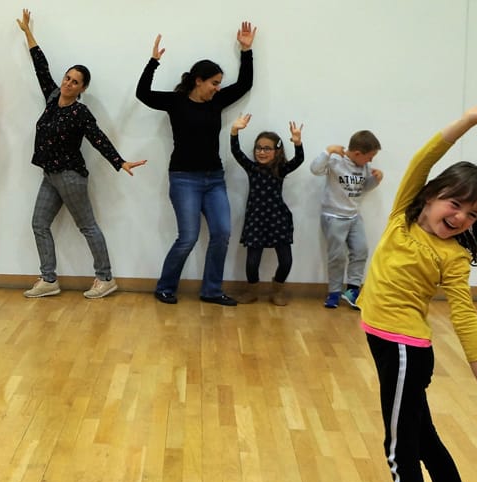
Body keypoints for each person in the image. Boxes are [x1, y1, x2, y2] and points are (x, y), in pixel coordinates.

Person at [358, 102, 477, 482]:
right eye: (455, 204)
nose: (460, 218)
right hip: (392, 349)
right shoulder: (402, 216)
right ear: (431, 196)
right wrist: (468, 122)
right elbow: (424, 158)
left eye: (472, 215)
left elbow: (465, 316)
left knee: (399, 451)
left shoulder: (453, 257)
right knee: (425, 443)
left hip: (404, 353)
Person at [16, 9, 147, 299]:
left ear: (82, 88)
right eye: (67, 78)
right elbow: (41, 67)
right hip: (50, 175)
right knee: (39, 224)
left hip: (71, 176)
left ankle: (105, 277)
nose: (68, 83)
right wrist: (28, 33)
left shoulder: (80, 112)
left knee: (87, 226)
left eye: (75, 82)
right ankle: (49, 279)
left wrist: (120, 161)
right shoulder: (52, 98)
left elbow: (98, 138)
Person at [136, 24, 256, 306]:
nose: (217, 88)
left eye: (218, 83)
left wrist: (247, 50)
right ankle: (165, 287)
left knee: (222, 233)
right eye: (214, 82)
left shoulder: (216, 102)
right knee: (187, 237)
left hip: (214, 179)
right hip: (184, 179)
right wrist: (153, 62)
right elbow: (143, 94)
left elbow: (245, 84)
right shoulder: (176, 102)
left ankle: (211, 290)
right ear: (198, 81)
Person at [229, 114, 304, 306]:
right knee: (252, 262)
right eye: (258, 148)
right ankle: (252, 290)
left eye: (267, 148)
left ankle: (277, 290)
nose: (261, 152)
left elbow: (299, 159)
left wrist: (297, 142)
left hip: (278, 219)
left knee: (286, 261)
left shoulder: (281, 169)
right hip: (256, 220)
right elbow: (236, 152)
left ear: (277, 151)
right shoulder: (252, 168)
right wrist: (234, 131)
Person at [310, 131, 383, 309]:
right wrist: (328, 151)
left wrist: (376, 180)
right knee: (337, 256)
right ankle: (334, 292)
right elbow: (315, 169)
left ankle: (353, 290)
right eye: (370, 157)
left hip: (354, 216)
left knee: (361, 250)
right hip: (334, 216)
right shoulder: (336, 161)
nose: (371, 161)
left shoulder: (363, 167)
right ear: (358, 153)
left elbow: (363, 187)